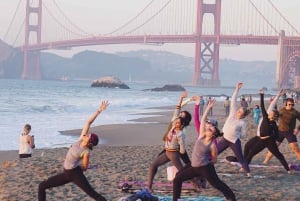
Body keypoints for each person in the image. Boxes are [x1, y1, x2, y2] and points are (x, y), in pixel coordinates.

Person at [38, 100, 109, 201]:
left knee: (93, 194)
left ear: (89, 141)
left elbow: (84, 167)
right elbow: (88, 122)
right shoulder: (80, 140)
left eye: (88, 136)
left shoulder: (86, 152)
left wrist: (78, 165)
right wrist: (99, 111)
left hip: (75, 174)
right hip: (66, 174)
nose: (87, 134)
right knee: (42, 186)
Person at [173, 99, 236, 201]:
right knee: (177, 179)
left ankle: (231, 197)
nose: (209, 128)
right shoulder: (202, 136)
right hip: (194, 167)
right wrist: (208, 107)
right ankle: (176, 199)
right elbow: (202, 121)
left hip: (205, 168)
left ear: (213, 135)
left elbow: (214, 160)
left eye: (211, 129)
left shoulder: (212, 145)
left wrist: (207, 164)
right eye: (209, 127)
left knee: (217, 184)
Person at [233, 89, 290, 173]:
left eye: (271, 113)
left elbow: (277, 135)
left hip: (268, 141)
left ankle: (288, 169)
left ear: (273, 116)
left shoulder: (273, 124)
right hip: (259, 138)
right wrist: (262, 95)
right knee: (248, 147)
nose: (269, 112)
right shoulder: (265, 117)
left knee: (278, 155)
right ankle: (244, 165)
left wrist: (270, 137)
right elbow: (263, 106)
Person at [147, 91, 192, 193]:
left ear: (183, 122)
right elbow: (177, 109)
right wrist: (181, 98)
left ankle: (196, 183)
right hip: (168, 150)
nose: (179, 115)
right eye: (180, 114)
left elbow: (182, 147)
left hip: (175, 152)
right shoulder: (175, 121)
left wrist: (180, 151)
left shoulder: (181, 130)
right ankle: (149, 187)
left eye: (182, 115)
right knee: (153, 165)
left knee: (183, 170)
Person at [217, 82, 252, 177]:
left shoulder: (242, 123)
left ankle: (248, 173)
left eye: (240, 111)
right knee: (214, 152)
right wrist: (237, 89)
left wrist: (237, 135)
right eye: (238, 110)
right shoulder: (232, 114)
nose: (238, 111)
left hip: (234, 141)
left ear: (243, 115)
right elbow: (233, 101)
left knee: (241, 158)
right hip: (224, 139)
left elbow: (244, 135)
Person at [263, 97, 300, 163]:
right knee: (273, 149)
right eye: (289, 104)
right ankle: (265, 162)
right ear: (286, 104)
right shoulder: (281, 110)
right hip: (279, 132)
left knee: (295, 149)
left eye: (292, 104)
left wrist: (297, 129)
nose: (291, 106)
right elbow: (274, 117)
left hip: (290, 133)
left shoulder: (295, 112)